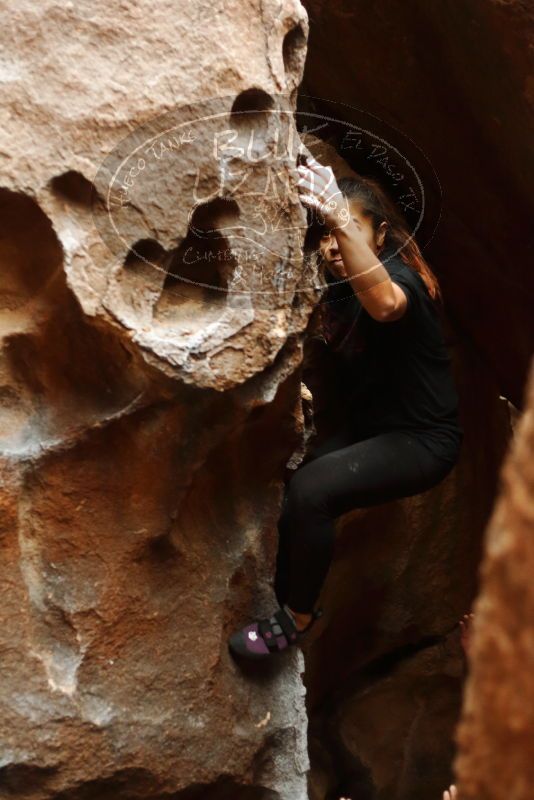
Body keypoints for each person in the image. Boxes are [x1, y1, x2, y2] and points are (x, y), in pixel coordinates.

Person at [228, 155, 464, 660]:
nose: (336, 244)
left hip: (423, 440)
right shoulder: (337, 285)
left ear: (379, 236)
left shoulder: (403, 283)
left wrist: (335, 211)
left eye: (350, 230)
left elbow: (385, 305)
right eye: (330, 232)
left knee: (314, 490)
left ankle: (298, 617)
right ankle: (283, 587)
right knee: (298, 475)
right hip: (372, 428)